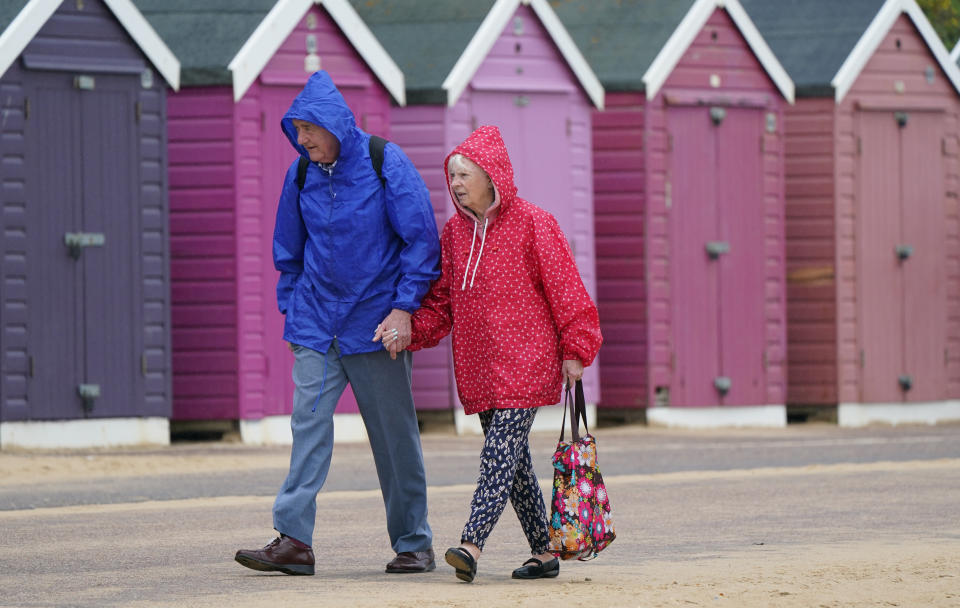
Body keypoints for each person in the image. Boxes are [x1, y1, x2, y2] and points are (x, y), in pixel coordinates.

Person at [235, 71, 441, 576]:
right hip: (315, 325)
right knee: (307, 426)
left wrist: (404, 308)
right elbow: (289, 251)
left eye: (308, 129)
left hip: (376, 327)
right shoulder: (300, 174)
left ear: (334, 126)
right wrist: (293, 311)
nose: (301, 140)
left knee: (394, 437)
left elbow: (422, 241)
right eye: (297, 130)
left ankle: (414, 542)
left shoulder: (383, 160)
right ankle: (294, 541)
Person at [375, 125, 602, 583]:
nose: (455, 183)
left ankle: (471, 544)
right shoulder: (455, 234)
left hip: (528, 360)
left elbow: (567, 291)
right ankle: (544, 551)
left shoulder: (535, 222)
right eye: (452, 174)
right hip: (479, 366)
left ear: (492, 175)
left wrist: (576, 347)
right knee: (514, 465)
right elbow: (441, 302)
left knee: (497, 456)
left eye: (464, 174)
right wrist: (410, 331)